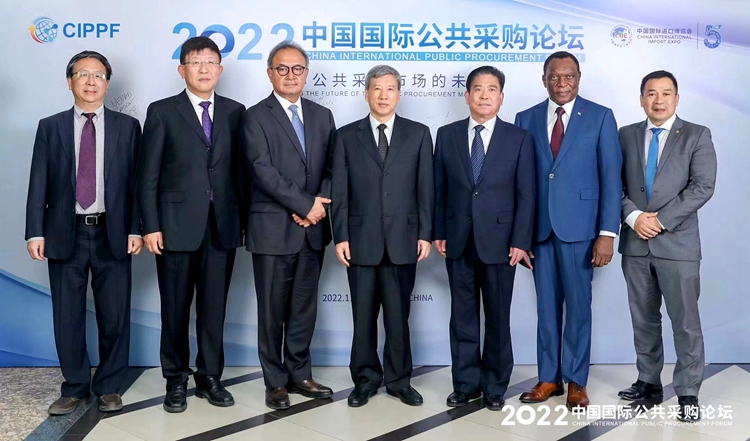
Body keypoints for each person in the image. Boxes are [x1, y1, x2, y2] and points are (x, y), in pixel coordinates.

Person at [25, 50, 142, 414]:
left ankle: (109, 386)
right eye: (83, 74)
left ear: (107, 82)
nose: (91, 82)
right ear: (70, 81)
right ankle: (75, 386)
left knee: (114, 315)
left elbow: (136, 185)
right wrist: (34, 232)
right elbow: (38, 182)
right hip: (66, 232)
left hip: (113, 231)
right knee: (68, 316)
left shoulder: (128, 127)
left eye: (98, 75)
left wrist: (136, 229)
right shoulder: (51, 126)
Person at [137, 36, 245, 413]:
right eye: (196, 62)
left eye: (210, 62)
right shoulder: (162, 111)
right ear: (182, 69)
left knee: (214, 309)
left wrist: (243, 222)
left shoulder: (236, 112)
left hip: (221, 227)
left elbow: (241, 173)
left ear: (220, 69)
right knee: (175, 308)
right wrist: (150, 225)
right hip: (174, 226)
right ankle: (175, 378)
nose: (203, 69)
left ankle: (210, 376)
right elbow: (147, 175)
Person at [515, 51, 622, 409]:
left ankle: (577, 380)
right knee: (546, 309)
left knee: (578, 309)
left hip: (581, 230)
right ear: (544, 79)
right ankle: (549, 378)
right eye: (554, 77)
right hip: (540, 231)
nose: (562, 83)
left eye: (569, 76)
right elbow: (521, 181)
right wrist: (521, 236)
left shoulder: (600, 116)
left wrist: (607, 233)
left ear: (578, 78)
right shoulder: (525, 118)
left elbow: (611, 179)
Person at [330, 65, 434, 407]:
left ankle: (399, 381)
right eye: (377, 88)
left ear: (399, 94)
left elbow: (426, 188)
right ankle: (365, 380)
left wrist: (425, 233)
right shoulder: (346, 136)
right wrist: (340, 235)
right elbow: (340, 192)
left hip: (404, 239)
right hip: (360, 240)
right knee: (363, 317)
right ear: (366, 93)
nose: (383, 95)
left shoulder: (418, 134)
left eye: (390, 88)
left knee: (398, 317)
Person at [240, 41, 336, 410]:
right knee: (271, 311)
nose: (290, 75)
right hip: (272, 229)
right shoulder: (254, 116)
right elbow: (261, 170)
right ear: (270, 73)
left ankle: (300, 373)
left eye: (297, 69)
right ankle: (275, 382)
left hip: (312, 229)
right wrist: (304, 205)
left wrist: (317, 206)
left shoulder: (322, 115)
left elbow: (333, 167)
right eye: (283, 68)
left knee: (303, 308)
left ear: (306, 73)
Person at [433, 66, 535, 411]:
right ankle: (465, 384)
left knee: (497, 318)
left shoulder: (518, 138)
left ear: (501, 97)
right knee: (462, 317)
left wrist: (521, 241)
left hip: (502, 243)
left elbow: (526, 194)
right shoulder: (446, 135)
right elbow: (439, 188)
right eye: (478, 89)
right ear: (467, 95)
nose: (485, 95)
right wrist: (439, 231)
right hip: (458, 240)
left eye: (492, 89)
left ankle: (494, 385)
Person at [617, 70, 716, 422]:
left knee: (685, 322)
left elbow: (702, 186)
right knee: (643, 319)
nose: (658, 100)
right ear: (641, 99)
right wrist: (633, 217)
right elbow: (612, 183)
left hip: (678, 244)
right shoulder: (625, 135)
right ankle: (648, 381)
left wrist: (659, 220)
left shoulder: (696, 134)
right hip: (635, 243)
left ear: (676, 98)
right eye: (651, 93)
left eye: (666, 93)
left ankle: (688, 391)